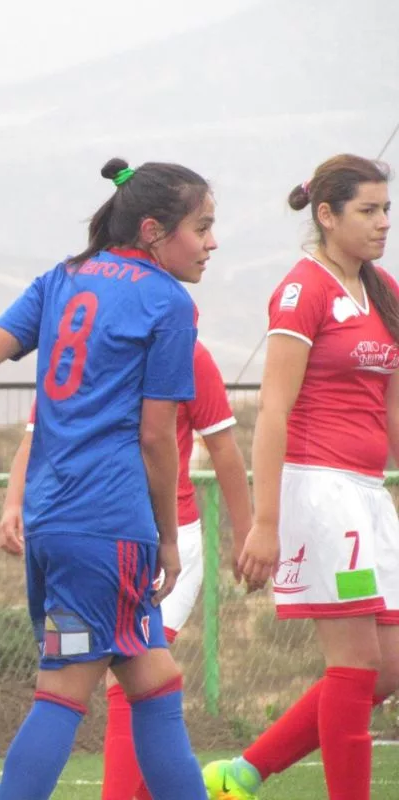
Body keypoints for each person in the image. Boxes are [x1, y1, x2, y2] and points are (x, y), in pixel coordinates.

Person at [0, 157, 217, 800]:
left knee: (154, 680)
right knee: (64, 692)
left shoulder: (64, 277)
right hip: (109, 524)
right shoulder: (168, 301)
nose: (212, 243)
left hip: (55, 519)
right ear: (153, 230)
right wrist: (168, 539)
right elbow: (155, 436)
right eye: (202, 227)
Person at [204, 155, 396, 800]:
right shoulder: (303, 287)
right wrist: (265, 520)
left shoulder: (386, 290)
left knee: (388, 667)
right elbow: (273, 409)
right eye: (367, 211)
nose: (381, 223)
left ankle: (241, 775)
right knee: (357, 662)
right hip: (320, 490)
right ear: (326, 214)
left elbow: (391, 407)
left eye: (386, 209)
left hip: (370, 493)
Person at [2, 334, 252, 800]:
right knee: (80, 688)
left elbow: (215, 445)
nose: (208, 254)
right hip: (119, 544)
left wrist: (246, 531)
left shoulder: (88, 337)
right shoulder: (153, 328)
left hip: (77, 543)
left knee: (149, 680)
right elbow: (37, 427)